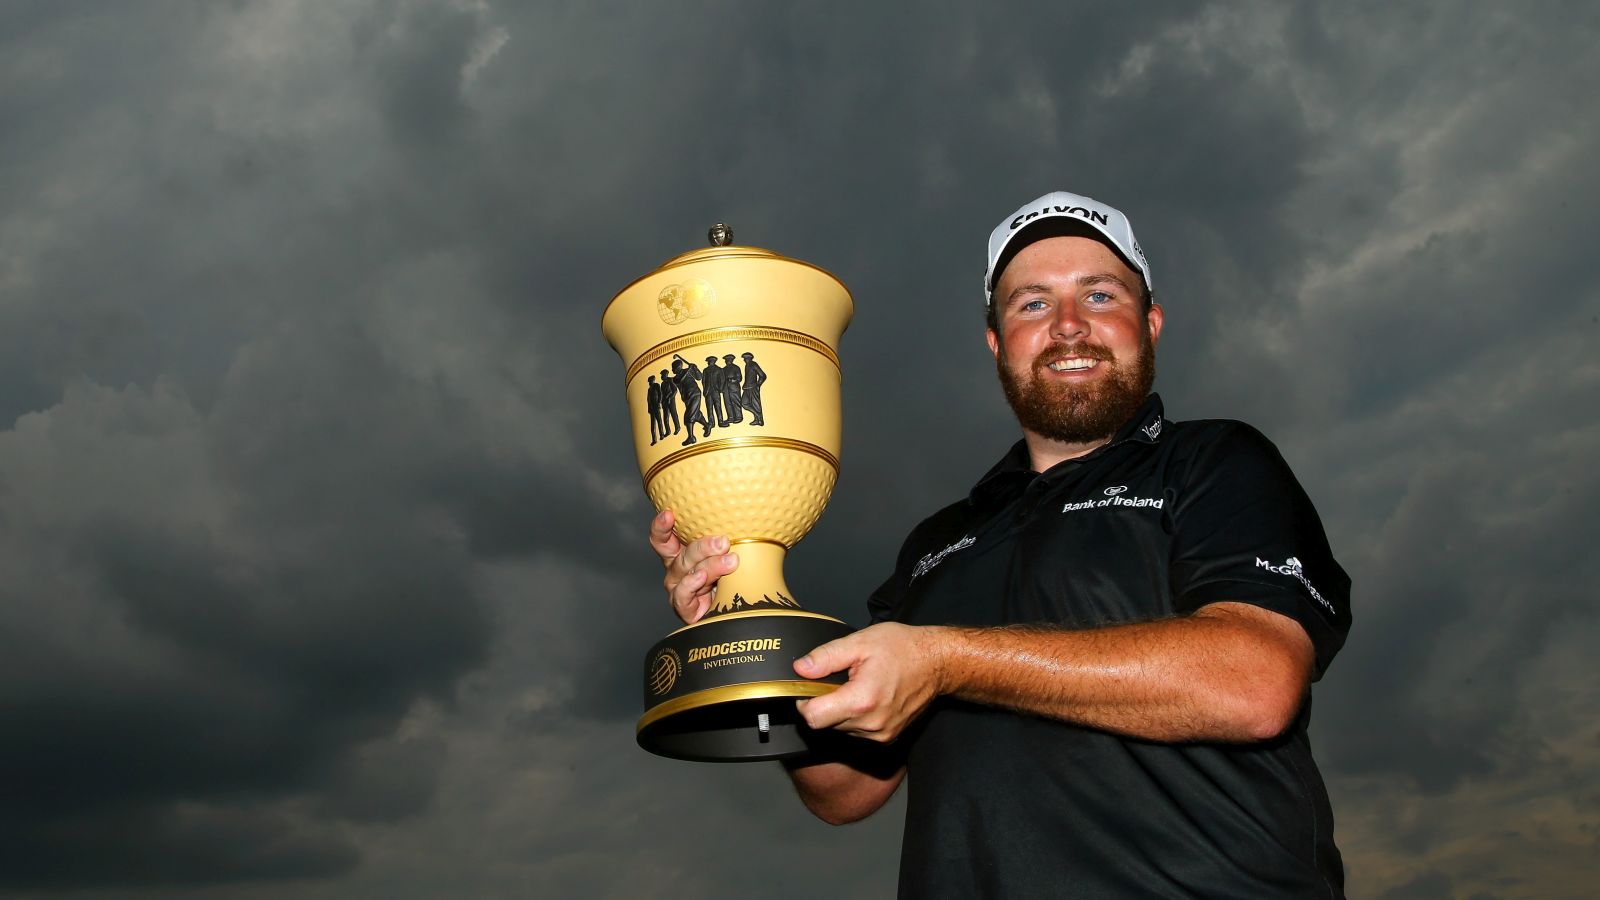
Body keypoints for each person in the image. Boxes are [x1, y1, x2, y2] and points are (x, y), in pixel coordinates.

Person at [649, 190, 1352, 898]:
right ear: (997, 343)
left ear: (1151, 322)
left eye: (1101, 295)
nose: (1070, 326)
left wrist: (947, 659)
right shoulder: (937, 545)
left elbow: (1255, 684)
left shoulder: (1214, 462)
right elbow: (842, 792)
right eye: (1033, 304)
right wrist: (745, 624)